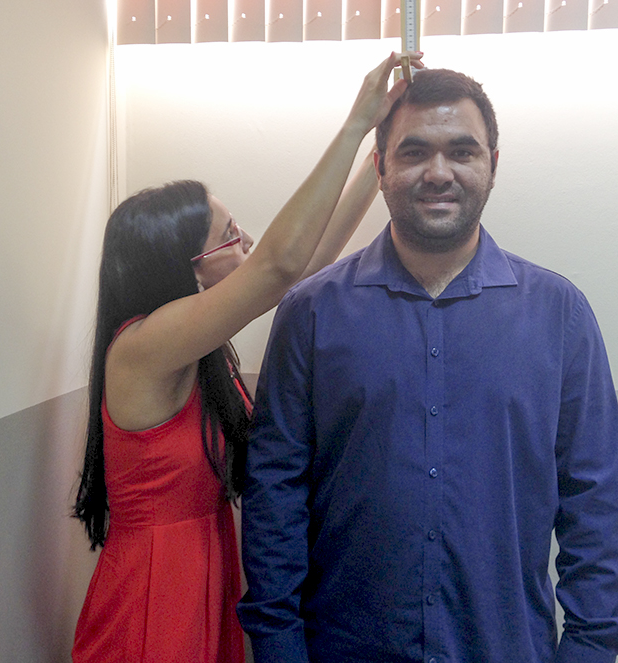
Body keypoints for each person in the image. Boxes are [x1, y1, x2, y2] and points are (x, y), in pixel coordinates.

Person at [238, 68, 618, 663]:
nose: (439, 172)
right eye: (414, 152)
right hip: (344, 648)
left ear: (492, 165)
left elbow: (594, 500)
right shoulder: (312, 313)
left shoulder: (559, 314)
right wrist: (277, 645)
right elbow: (275, 495)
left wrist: (589, 647)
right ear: (380, 167)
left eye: (462, 152)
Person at [69, 52, 423, 663]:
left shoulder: (194, 348)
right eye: (232, 236)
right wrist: (354, 124)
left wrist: (381, 155)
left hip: (201, 573)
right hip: (152, 595)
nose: (249, 243)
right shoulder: (143, 347)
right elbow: (279, 266)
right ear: (189, 267)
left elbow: (303, 266)